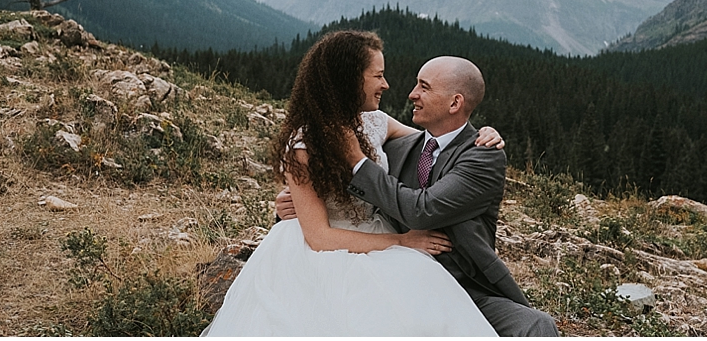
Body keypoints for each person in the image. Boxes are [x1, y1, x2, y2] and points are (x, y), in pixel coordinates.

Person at [202, 30, 502, 336]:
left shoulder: (375, 122)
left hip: (379, 236)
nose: (386, 85)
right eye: (378, 76)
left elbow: (437, 140)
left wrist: (481, 134)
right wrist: (400, 242)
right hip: (327, 253)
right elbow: (318, 238)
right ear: (350, 79)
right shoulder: (305, 144)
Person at [277, 55, 559, 337]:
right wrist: (295, 204)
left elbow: (420, 210)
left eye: (424, 87)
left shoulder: (482, 157)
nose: (412, 94)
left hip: (466, 289)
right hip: (396, 277)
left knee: (536, 325)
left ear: (455, 103)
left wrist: (357, 160)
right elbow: (339, 188)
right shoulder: (399, 148)